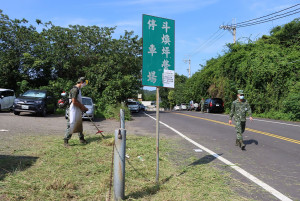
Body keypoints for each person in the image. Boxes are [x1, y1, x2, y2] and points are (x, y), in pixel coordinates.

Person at [64, 77, 89, 147]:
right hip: (72, 109)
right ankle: (66, 141)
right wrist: (82, 107)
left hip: (77, 108)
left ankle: (81, 139)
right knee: (71, 124)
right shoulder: (75, 89)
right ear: (81, 82)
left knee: (79, 123)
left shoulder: (79, 89)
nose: (85, 84)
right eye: (84, 83)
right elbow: (74, 101)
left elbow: (77, 101)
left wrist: (82, 106)